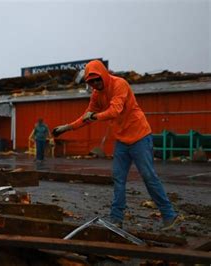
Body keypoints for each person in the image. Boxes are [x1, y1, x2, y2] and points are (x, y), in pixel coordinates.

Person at [52, 60, 182, 231]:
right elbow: (87, 116)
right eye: (91, 82)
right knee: (118, 178)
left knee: (148, 176)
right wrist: (67, 127)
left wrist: (95, 117)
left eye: (97, 80)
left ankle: (169, 216)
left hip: (140, 136)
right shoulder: (96, 95)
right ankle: (116, 219)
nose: (96, 84)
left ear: (104, 75)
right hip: (122, 140)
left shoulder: (120, 84)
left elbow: (115, 110)